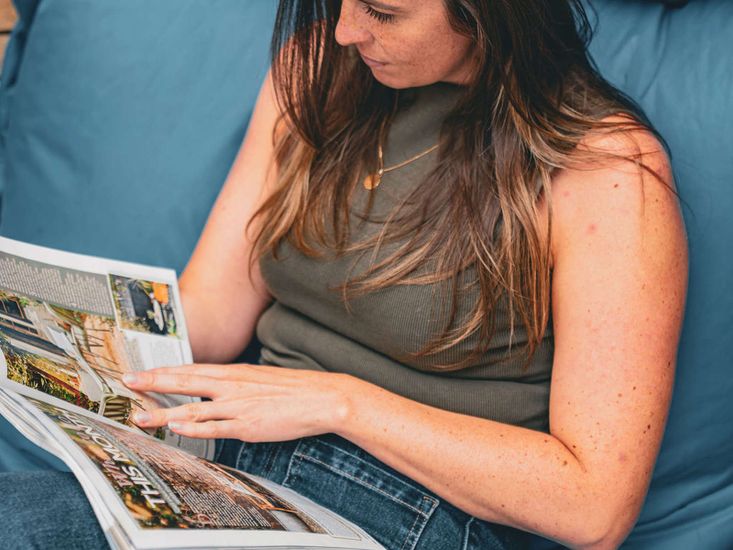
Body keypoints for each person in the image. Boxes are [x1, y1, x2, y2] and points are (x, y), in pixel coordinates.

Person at [0, 1, 688, 548]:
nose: (346, 31)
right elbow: (208, 317)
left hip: (417, 514)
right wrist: (39, 329)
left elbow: (593, 507)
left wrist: (340, 403)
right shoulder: (316, 72)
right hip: (227, 466)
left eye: (382, 12)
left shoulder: (605, 170)